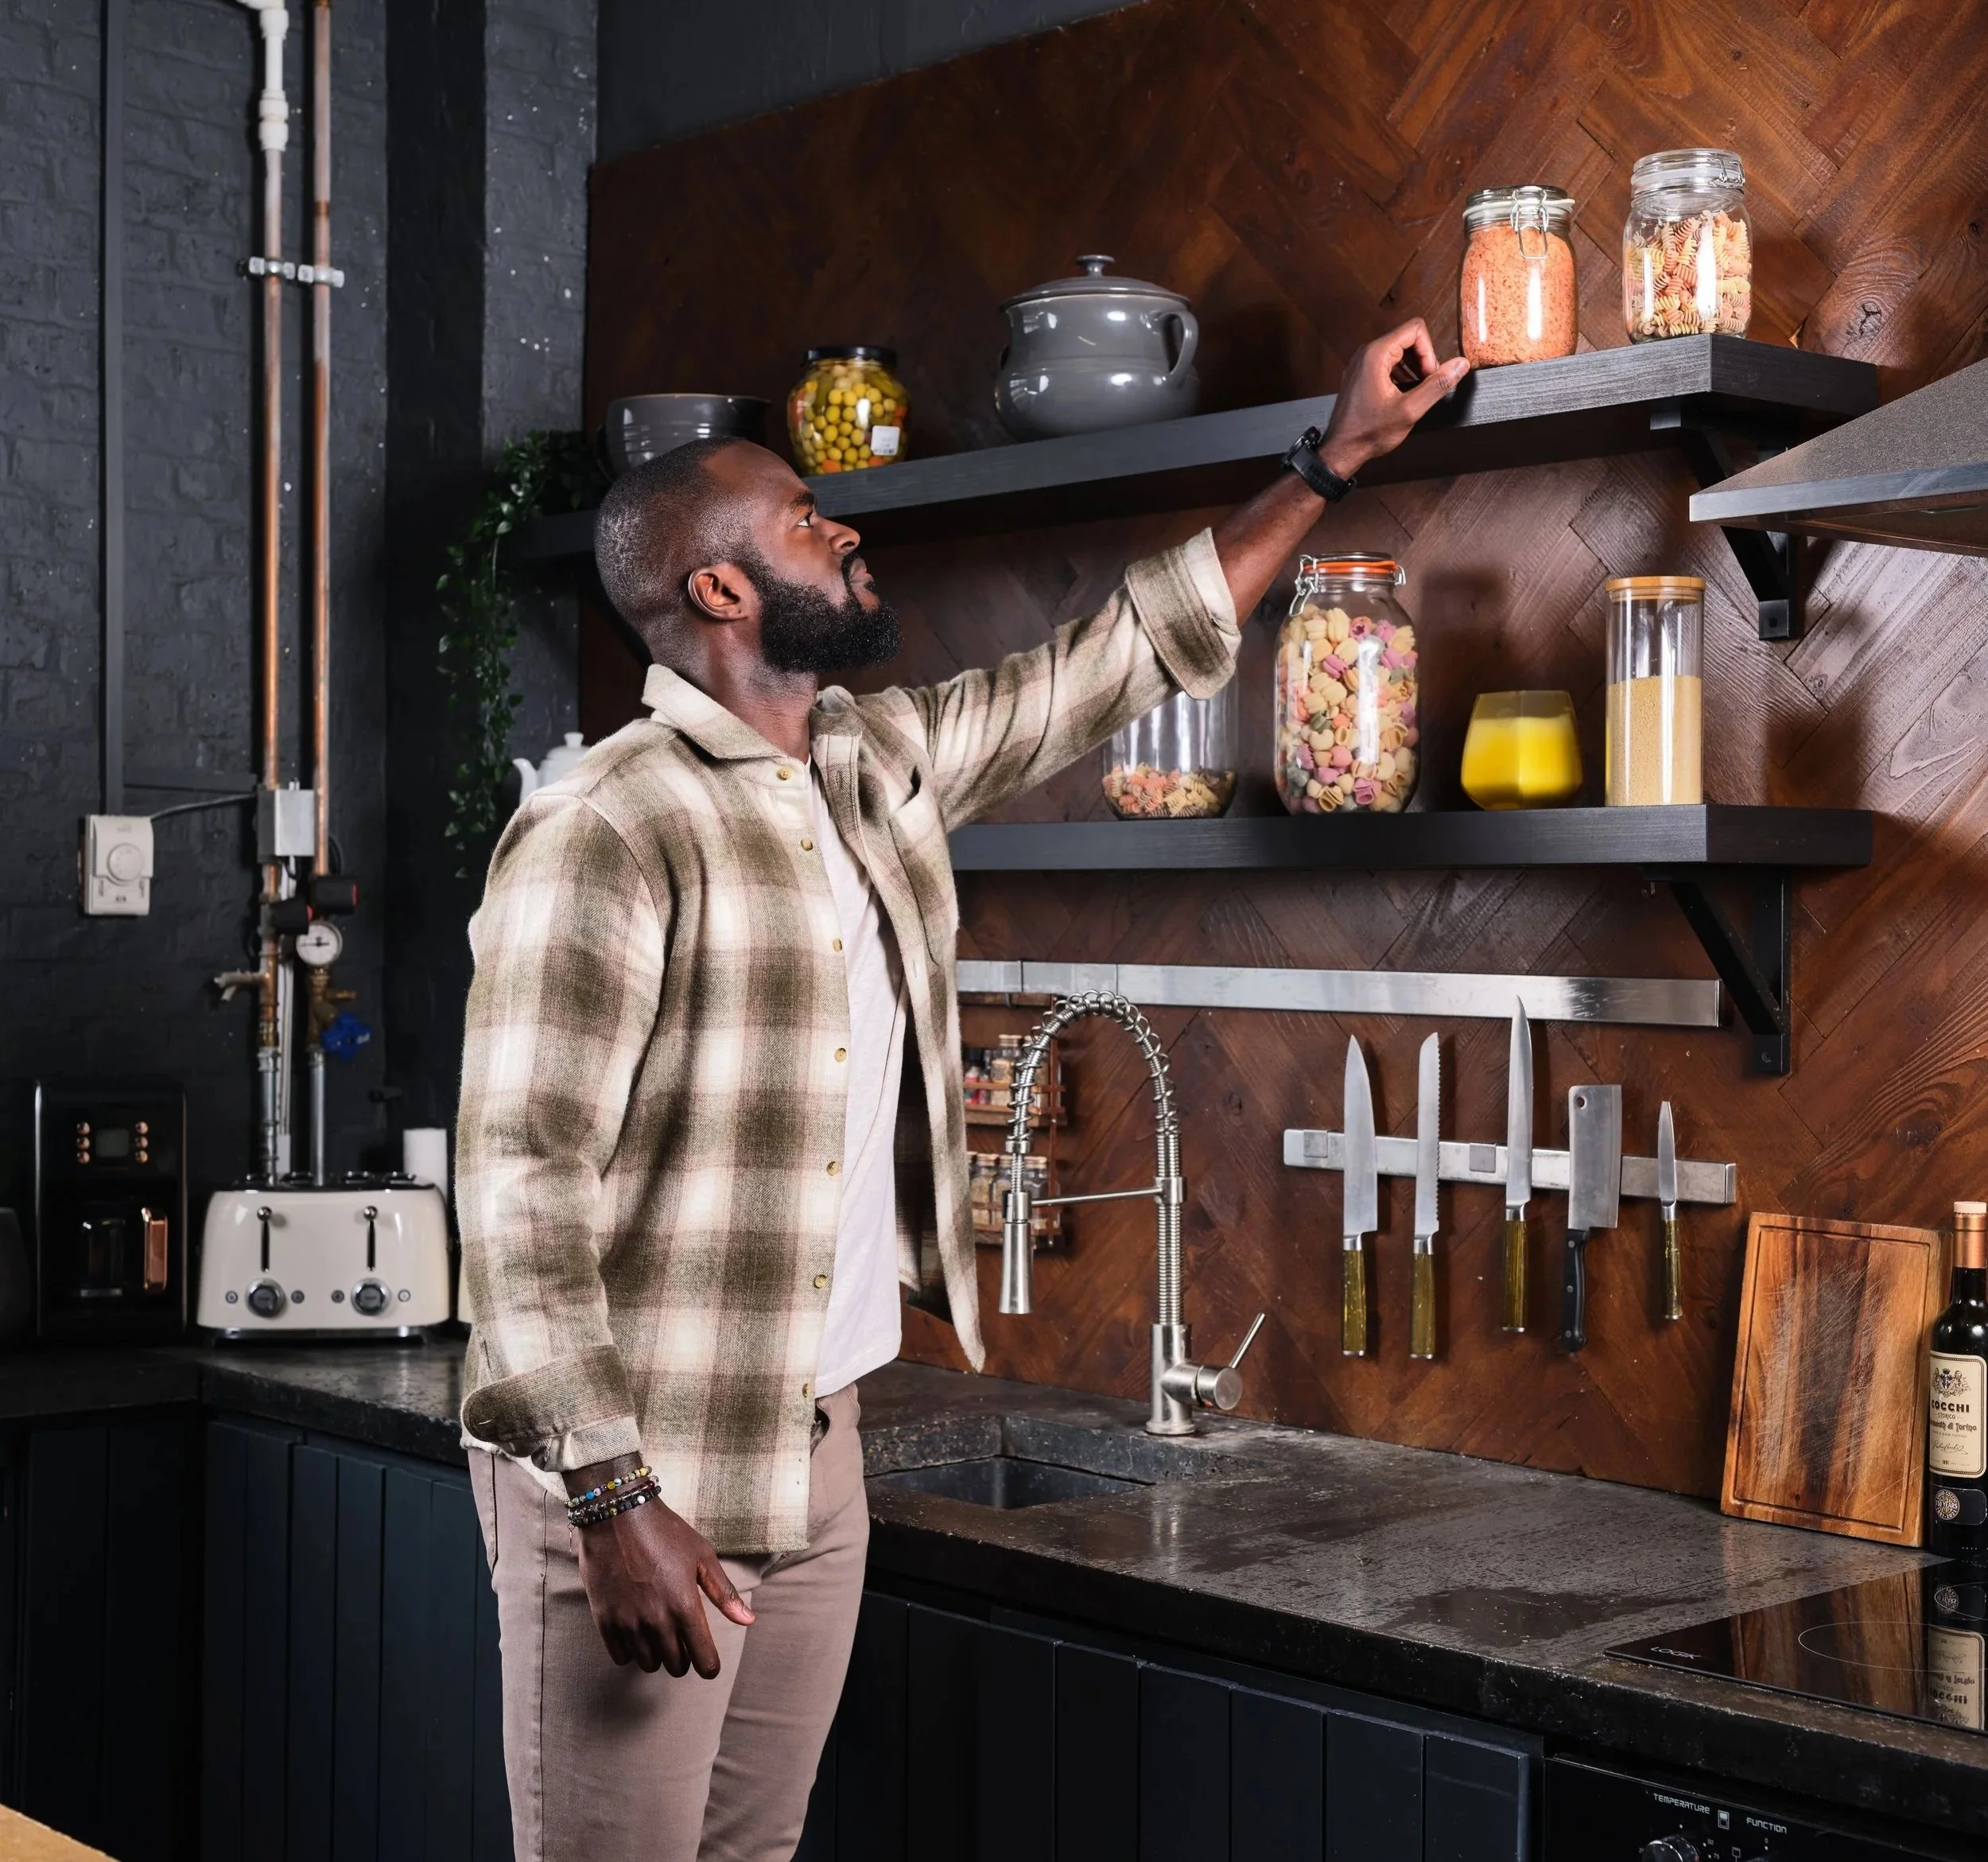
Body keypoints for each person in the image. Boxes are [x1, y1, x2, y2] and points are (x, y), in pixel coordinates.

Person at [455, 317, 1469, 1862]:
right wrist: (607, 1499)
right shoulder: (608, 824)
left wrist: (1329, 460)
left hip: (811, 1441)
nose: (842, 528)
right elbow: (519, 1182)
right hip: (638, 1466)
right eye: (804, 519)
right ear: (721, 590)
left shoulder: (870, 765)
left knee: (753, 1856)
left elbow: (1113, 658)